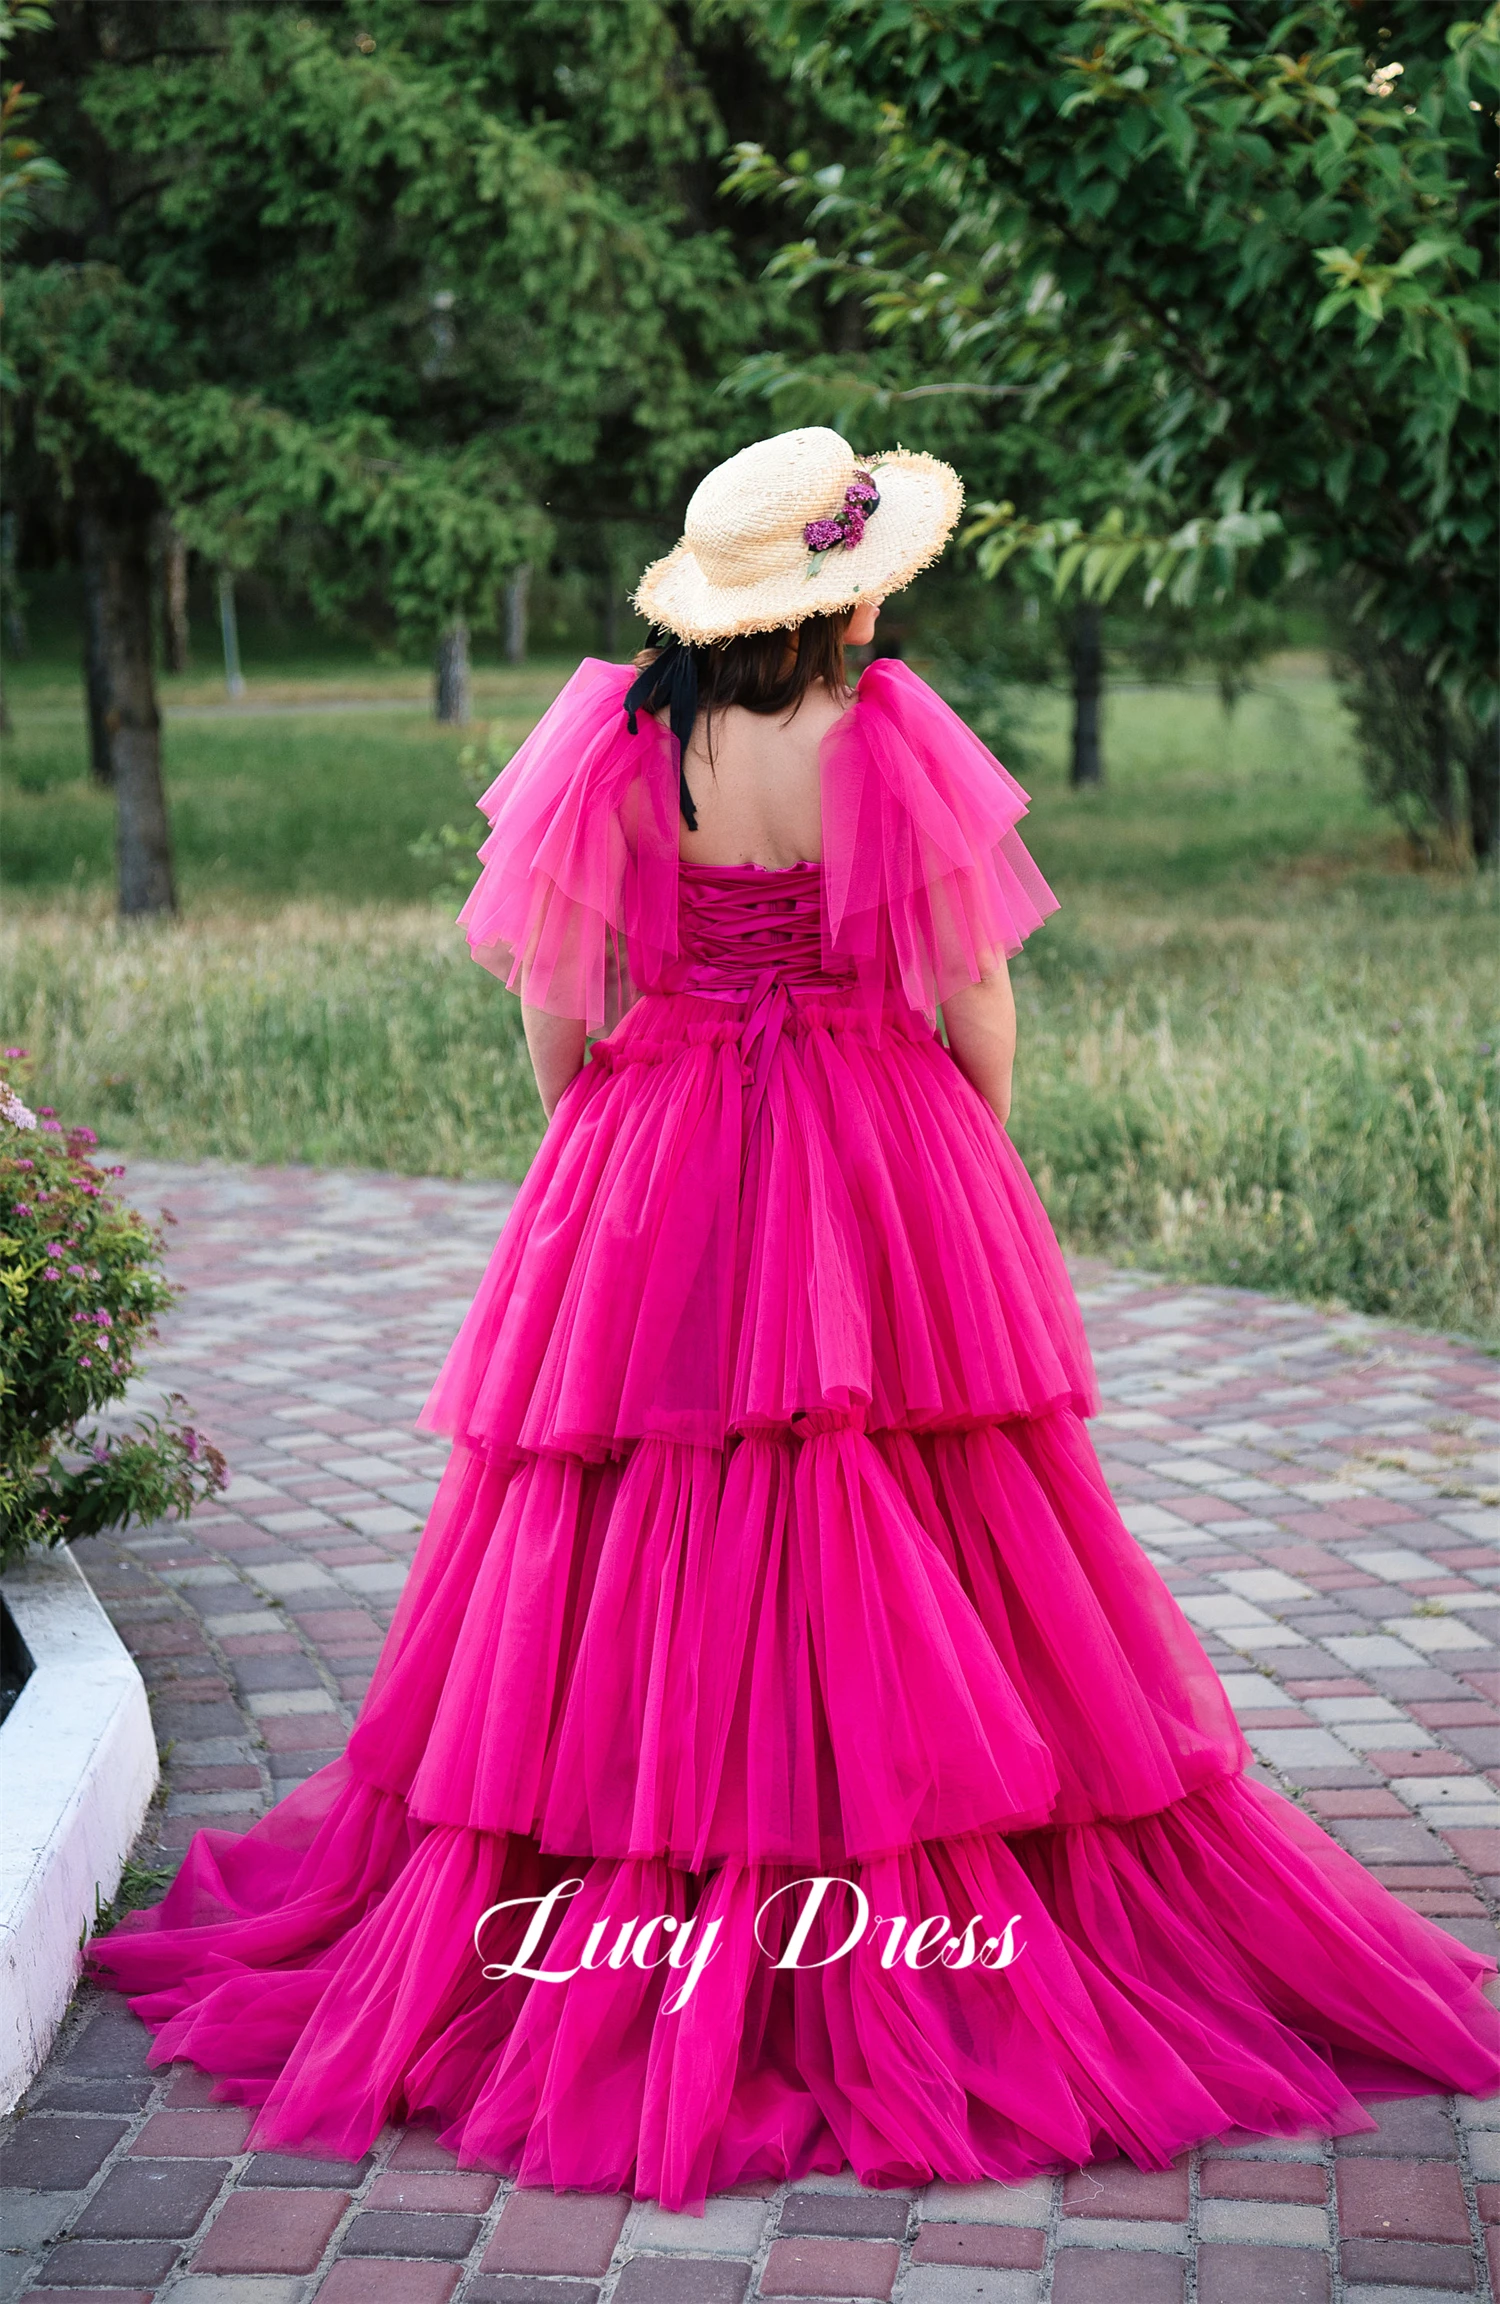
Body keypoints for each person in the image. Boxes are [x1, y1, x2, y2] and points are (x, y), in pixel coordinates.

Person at [92, 425, 1497, 2211]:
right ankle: (894, 1883)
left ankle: (638, 1894)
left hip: (656, 1128)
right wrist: (962, 1160)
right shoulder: (886, 733)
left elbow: (559, 987)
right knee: (916, 1504)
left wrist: (593, 1143)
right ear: (844, 600)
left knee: (640, 1517)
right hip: (869, 1138)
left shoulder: (619, 739)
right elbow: (969, 983)